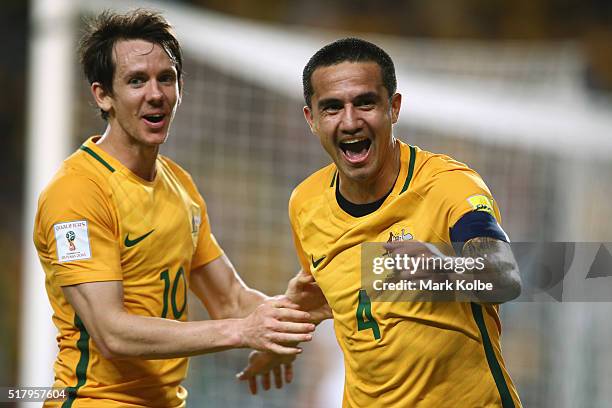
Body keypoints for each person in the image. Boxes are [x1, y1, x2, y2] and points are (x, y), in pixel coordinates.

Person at [33, 9, 315, 407]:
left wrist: (293, 315)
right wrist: (241, 332)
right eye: (136, 81)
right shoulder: (77, 193)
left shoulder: (178, 184)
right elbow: (111, 333)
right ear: (103, 95)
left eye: (166, 78)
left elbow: (231, 298)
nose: (156, 94)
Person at [239, 38, 523, 407]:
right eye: (332, 108)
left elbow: (504, 276)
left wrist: (443, 271)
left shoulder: (448, 185)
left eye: (365, 103)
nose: (350, 121)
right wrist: (282, 341)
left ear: (394, 107)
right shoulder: (305, 203)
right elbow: (334, 292)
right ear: (311, 119)